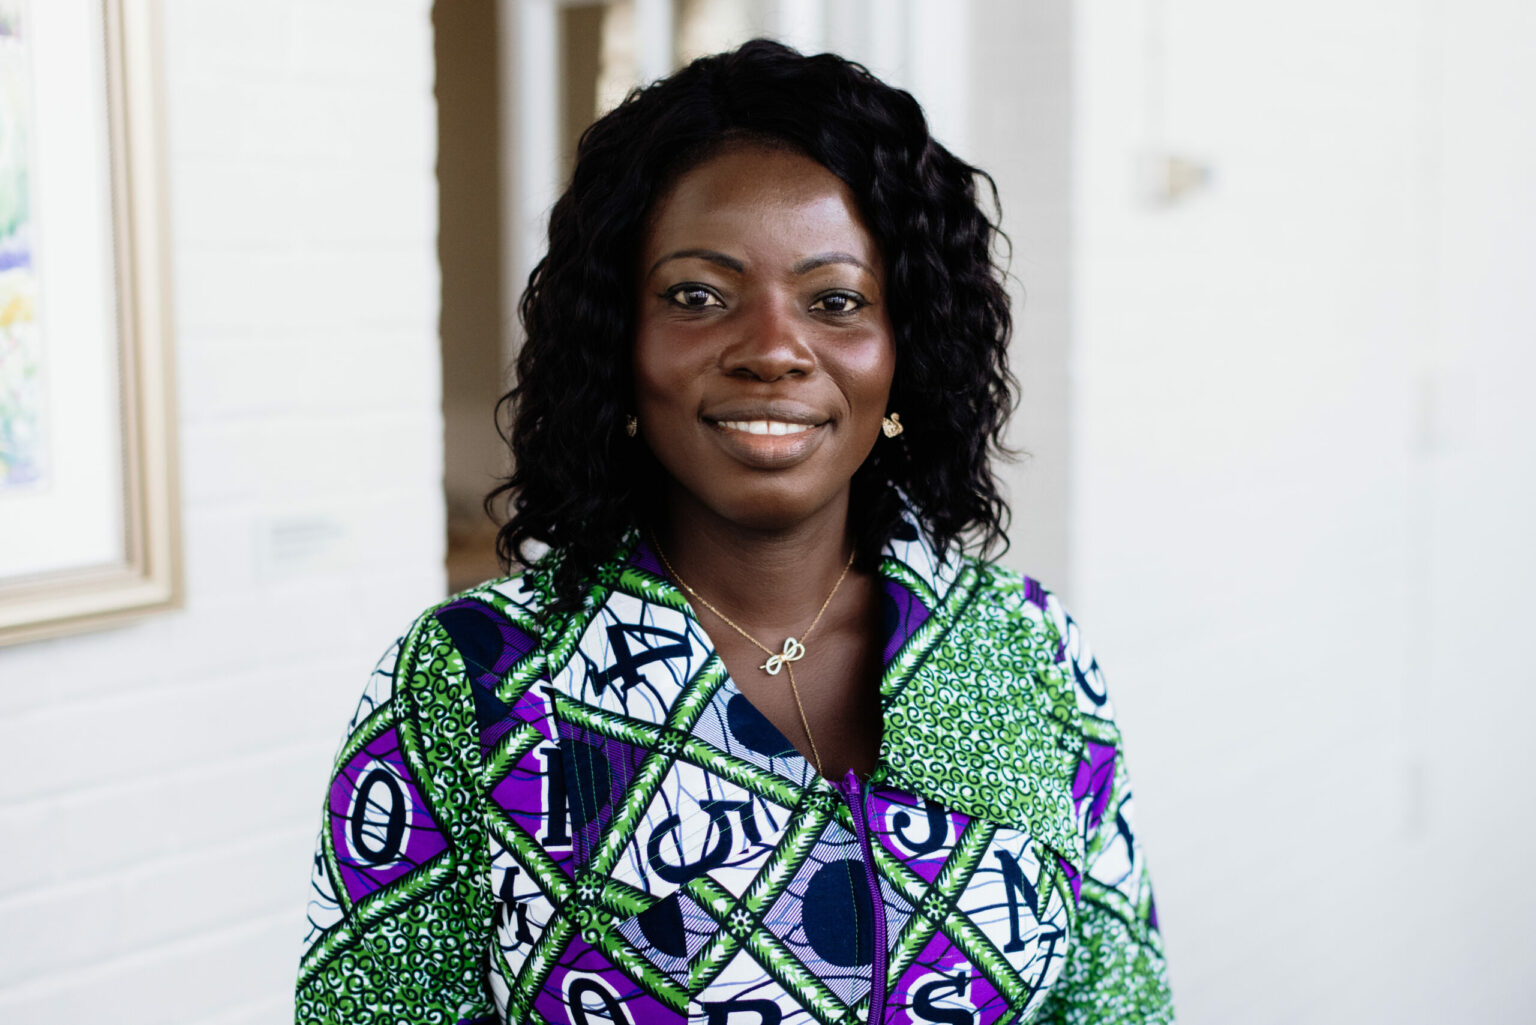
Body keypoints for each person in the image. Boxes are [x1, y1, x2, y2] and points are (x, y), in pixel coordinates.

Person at [296, 39, 1173, 1025]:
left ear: (906, 350)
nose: (772, 349)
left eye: (835, 300)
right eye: (698, 297)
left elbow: (1119, 1003)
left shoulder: (1027, 652)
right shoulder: (476, 682)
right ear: (618, 342)